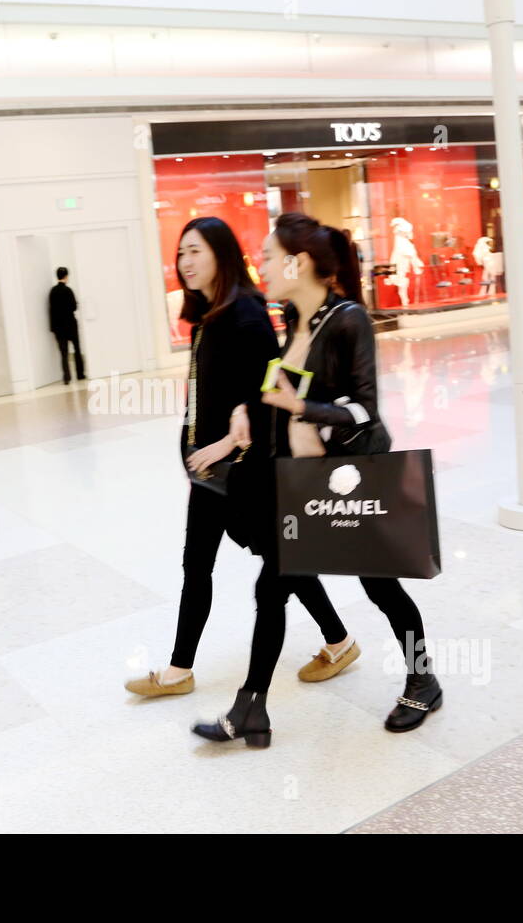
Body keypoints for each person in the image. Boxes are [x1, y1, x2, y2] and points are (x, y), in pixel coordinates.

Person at [192, 212, 442, 747]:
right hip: (302, 485)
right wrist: (249, 414)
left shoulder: (349, 319)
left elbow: (364, 410)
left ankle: (423, 679)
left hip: (352, 480)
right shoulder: (289, 316)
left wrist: (303, 406)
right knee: (271, 589)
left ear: (297, 262)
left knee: (383, 589)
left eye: (266, 255)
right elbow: (279, 385)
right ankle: (250, 708)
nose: (259, 265)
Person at [125, 217, 356, 698]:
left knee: (282, 561)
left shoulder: (245, 313)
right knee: (200, 562)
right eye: (181, 253)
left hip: (245, 471)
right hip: (210, 471)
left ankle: (338, 641)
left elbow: (267, 393)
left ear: (221, 254)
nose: (185, 262)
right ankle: (178, 670)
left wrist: (224, 445)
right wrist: (193, 446)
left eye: (195, 251)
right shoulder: (209, 315)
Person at [48, 267, 85, 384]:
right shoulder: (68, 291)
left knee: (63, 353)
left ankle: (67, 377)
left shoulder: (52, 291)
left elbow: (51, 310)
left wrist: (53, 328)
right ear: (66, 276)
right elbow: (74, 307)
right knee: (77, 350)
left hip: (59, 328)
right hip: (70, 325)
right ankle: (80, 374)